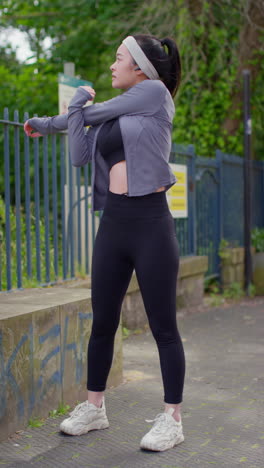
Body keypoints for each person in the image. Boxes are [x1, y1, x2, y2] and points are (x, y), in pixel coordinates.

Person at [24, 33, 186, 452]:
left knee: (163, 327)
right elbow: (79, 147)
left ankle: (172, 419)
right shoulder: (111, 120)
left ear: (140, 67)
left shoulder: (154, 93)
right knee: (102, 322)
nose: (112, 66)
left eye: (119, 59)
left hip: (151, 222)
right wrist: (50, 122)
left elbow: (90, 112)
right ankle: (94, 407)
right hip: (114, 223)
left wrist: (72, 111)